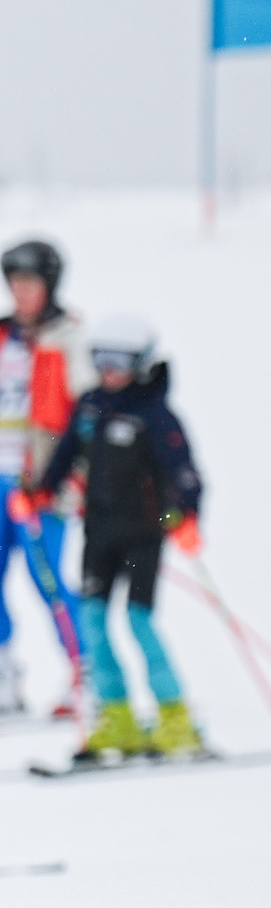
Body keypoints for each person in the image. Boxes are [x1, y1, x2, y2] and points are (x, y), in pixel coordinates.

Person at [16, 315, 202, 763]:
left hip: (142, 535)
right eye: (101, 360)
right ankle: (117, 718)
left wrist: (186, 515)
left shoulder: (153, 414)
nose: (109, 371)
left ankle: (176, 719)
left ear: (139, 363)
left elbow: (184, 472)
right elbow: (65, 458)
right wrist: (38, 491)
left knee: (138, 622)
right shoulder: (90, 407)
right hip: (99, 534)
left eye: (119, 361)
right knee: (94, 624)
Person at [0, 239, 87, 720]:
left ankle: (83, 674)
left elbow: (84, 414)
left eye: (30, 283)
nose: (21, 292)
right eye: (14, 283)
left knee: (48, 579)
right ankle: (5, 673)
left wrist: (72, 482)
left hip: (40, 484)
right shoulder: (2, 338)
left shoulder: (67, 338)